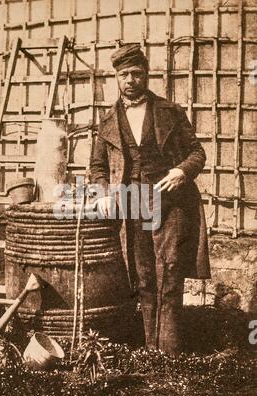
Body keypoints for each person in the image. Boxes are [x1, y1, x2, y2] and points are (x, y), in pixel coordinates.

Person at [90, 44, 211, 355]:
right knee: (143, 275)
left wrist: (182, 171)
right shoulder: (106, 122)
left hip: (171, 203)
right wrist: (103, 191)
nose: (130, 80)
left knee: (169, 270)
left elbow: (198, 153)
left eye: (136, 73)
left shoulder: (169, 112)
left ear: (146, 75)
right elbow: (97, 167)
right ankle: (150, 347)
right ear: (116, 78)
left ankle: (169, 349)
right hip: (131, 203)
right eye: (123, 75)